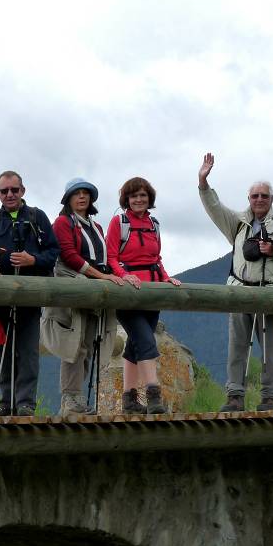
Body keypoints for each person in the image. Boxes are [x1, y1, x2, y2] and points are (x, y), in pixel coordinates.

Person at [197, 152, 273, 412]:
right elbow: (215, 208)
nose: (259, 200)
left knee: (270, 350)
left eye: (264, 196)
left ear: (272, 199)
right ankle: (235, 397)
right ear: (249, 198)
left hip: (271, 294)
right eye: (255, 196)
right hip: (240, 291)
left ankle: (269, 398)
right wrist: (203, 183)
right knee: (237, 347)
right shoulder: (238, 223)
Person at [0, 170, 59, 416]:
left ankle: (25, 404)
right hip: (0, 297)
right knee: (3, 348)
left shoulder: (38, 217)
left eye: (14, 190)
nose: (10, 194)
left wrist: (31, 260)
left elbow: (53, 252)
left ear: (23, 191)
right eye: (4, 191)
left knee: (27, 351)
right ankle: (6, 403)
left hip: (30, 295)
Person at [42, 178, 122, 416]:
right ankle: (70, 400)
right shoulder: (62, 223)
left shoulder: (95, 227)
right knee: (73, 345)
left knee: (86, 344)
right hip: (74, 288)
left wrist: (113, 276)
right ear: (68, 198)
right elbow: (69, 255)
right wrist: (101, 276)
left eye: (86, 193)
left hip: (94, 291)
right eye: (77, 193)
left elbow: (106, 257)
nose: (82, 197)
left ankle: (77, 400)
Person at [106, 177, 181, 415]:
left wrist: (167, 277)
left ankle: (129, 401)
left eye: (143, 195)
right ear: (126, 199)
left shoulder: (154, 224)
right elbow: (111, 257)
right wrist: (124, 275)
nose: (139, 199)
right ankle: (154, 397)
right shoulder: (119, 222)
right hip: (128, 294)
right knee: (147, 341)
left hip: (152, 293)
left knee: (135, 345)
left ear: (149, 199)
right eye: (134, 196)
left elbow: (156, 259)